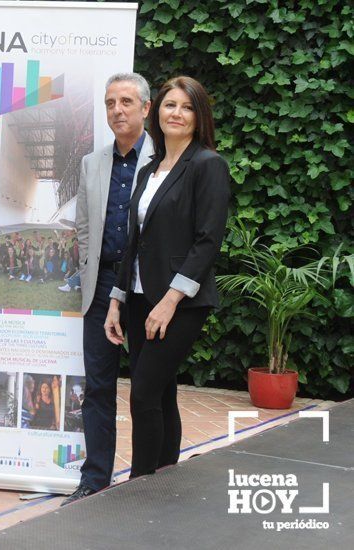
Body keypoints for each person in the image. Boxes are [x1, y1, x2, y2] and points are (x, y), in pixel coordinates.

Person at [105, 76, 230, 478]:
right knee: (162, 392)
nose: (176, 113)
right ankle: (165, 480)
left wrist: (171, 300)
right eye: (169, 105)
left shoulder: (208, 165)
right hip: (141, 297)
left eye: (187, 107)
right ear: (156, 111)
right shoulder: (150, 169)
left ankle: (140, 485)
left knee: (142, 393)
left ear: (199, 116)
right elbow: (134, 242)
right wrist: (117, 299)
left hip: (180, 302)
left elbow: (208, 242)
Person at [63, 73, 154, 506]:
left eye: (126, 102)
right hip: (102, 287)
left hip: (146, 289)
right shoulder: (91, 163)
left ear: (146, 109)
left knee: (150, 387)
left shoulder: (167, 159)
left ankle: (147, 477)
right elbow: (83, 226)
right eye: (110, 103)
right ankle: (95, 478)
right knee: (98, 386)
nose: (117, 110)